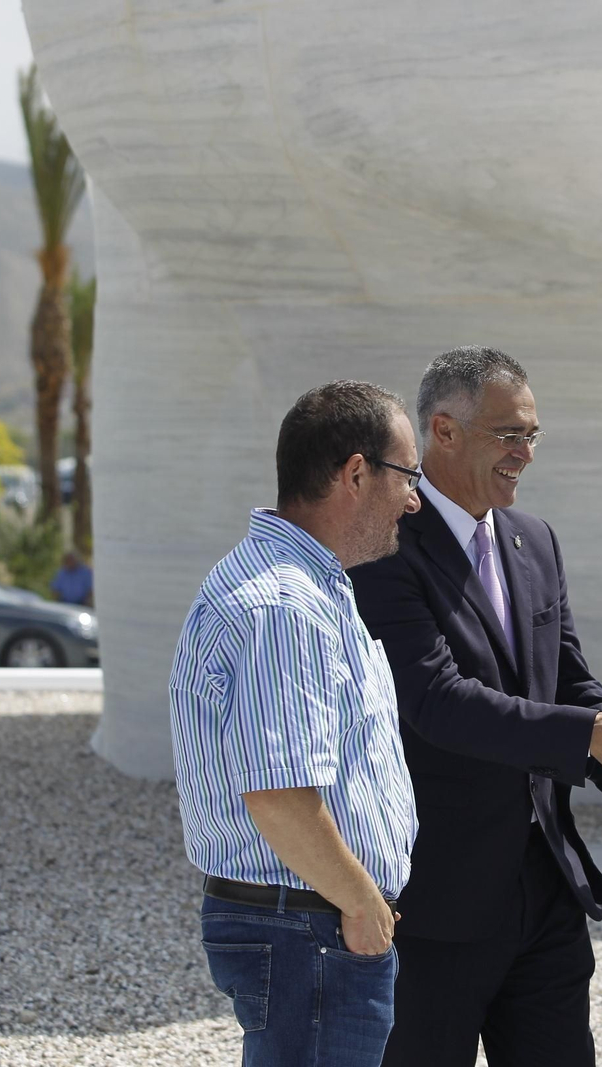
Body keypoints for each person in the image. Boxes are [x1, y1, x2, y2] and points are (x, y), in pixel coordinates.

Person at [349, 346, 602, 1067]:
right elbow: (435, 701)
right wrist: (589, 736)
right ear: (442, 432)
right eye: (509, 434)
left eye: (532, 434)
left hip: (546, 889)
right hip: (433, 901)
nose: (525, 454)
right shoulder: (385, 548)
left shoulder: (534, 541)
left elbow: (568, 681)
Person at [167, 380, 423, 1067]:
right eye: (409, 474)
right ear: (357, 473)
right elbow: (280, 795)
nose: (415, 498)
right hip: (310, 927)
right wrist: (365, 905)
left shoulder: (302, 588)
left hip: (310, 922)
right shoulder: (285, 604)